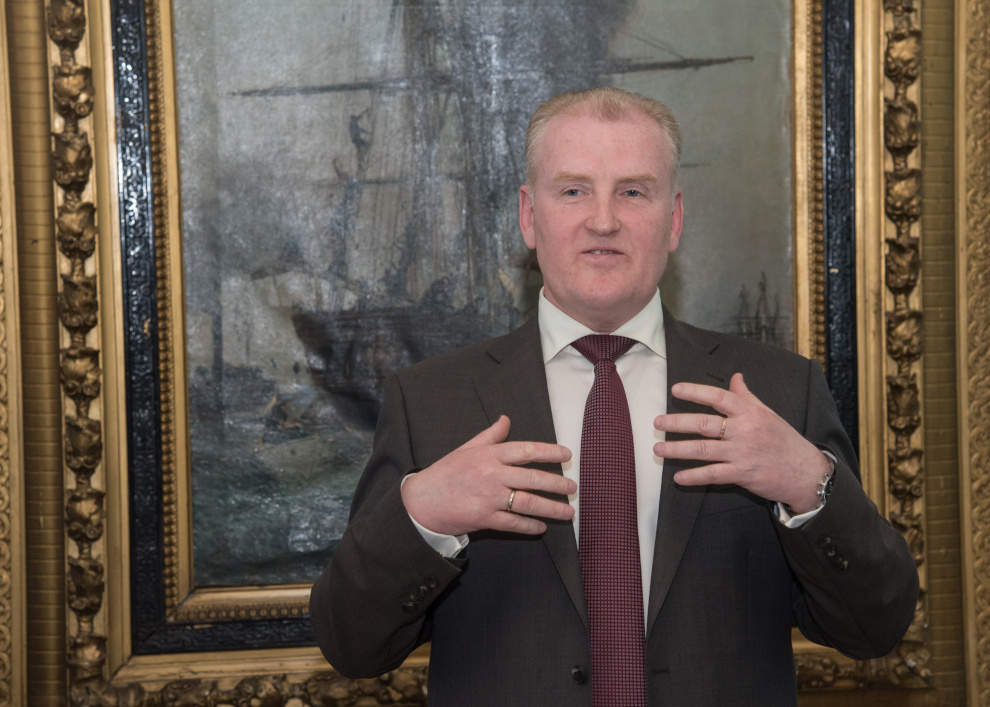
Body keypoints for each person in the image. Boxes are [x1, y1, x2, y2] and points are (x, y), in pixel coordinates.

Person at [309, 87, 918, 706]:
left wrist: (811, 485)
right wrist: (422, 516)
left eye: (633, 192)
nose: (603, 220)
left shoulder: (780, 391)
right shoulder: (428, 402)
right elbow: (353, 645)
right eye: (574, 191)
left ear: (673, 219)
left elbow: (875, 626)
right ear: (529, 216)